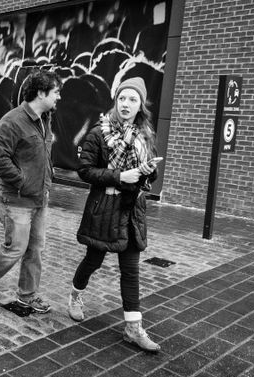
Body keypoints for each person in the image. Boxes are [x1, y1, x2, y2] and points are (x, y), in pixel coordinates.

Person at [69, 76, 162, 352]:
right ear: (115, 101)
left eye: (133, 99)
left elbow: (148, 174)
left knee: (130, 271)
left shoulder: (145, 134)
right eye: (122, 98)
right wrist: (121, 175)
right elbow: (85, 171)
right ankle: (75, 294)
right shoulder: (99, 133)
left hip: (132, 209)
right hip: (105, 209)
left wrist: (148, 171)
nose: (126, 103)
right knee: (93, 260)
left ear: (140, 105)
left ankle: (133, 328)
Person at [0, 70, 62, 314]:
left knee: (35, 249)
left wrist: (46, 177)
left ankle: (28, 295)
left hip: (39, 197)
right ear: (41, 93)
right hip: (16, 199)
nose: (59, 97)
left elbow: (40, 153)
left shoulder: (45, 118)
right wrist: (22, 181)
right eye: (56, 92)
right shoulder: (12, 121)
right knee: (16, 248)